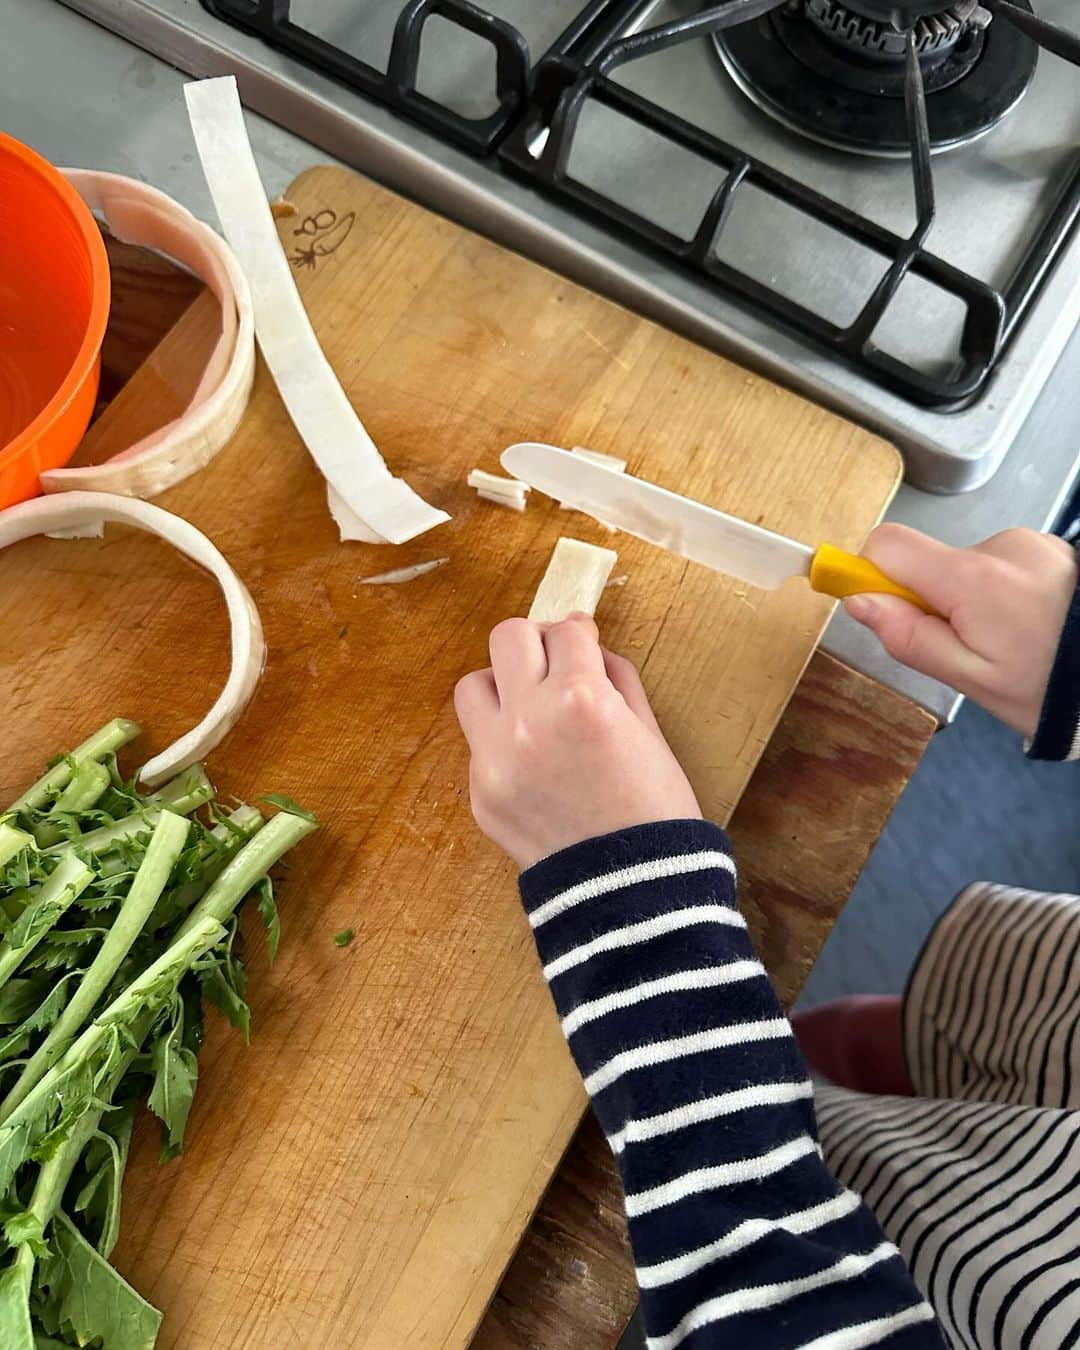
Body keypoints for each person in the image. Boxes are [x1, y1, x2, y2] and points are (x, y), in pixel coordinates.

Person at [453, 522, 1080, 1350]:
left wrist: (629, 893)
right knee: (909, 1045)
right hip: (1043, 1071)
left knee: (863, 1129)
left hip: (935, 1278)